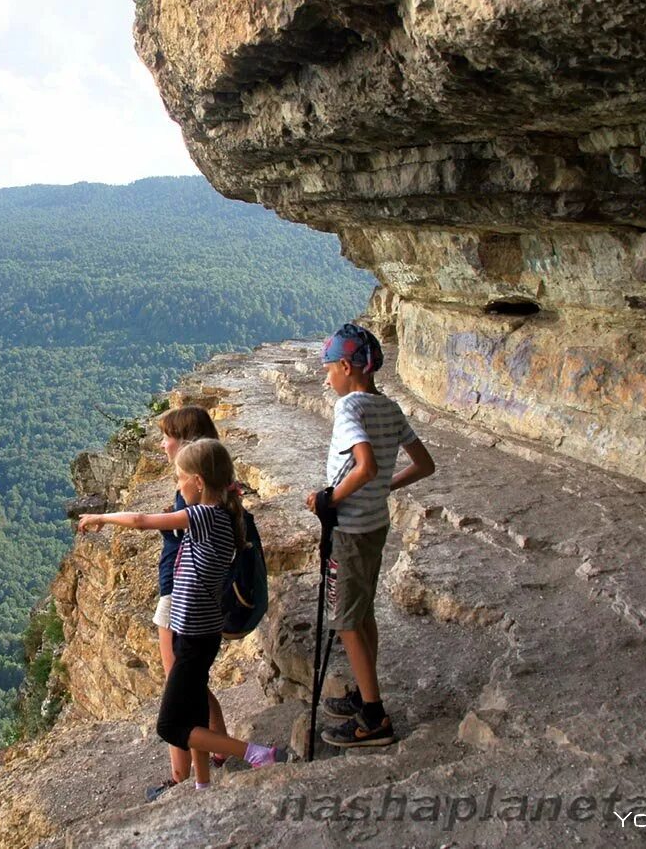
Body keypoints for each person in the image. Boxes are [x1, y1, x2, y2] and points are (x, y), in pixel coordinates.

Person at [78, 438, 286, 796]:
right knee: (192, 714)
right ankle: (202, 784)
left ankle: (256, 753)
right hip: (203, 632)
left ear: (199, 482)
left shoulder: (204, 516)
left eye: (180, 478)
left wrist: (102, 517)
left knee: (171, 726)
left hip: (192, 638)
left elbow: (143, 521)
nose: (178, 485)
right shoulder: (223, 515)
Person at [305, 323, 435, 747]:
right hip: (375, 523)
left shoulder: (350, 408)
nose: (326, 379)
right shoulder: (390, 407)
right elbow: (422, 464)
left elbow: (364, 466)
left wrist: (330, 498)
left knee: (345, 622)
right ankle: (364, 692)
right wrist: (385, 488)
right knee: (363, 615)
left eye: (329, 370)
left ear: (346, 366)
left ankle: (374, 717)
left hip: (351, 530)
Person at [150, 408, 229, 799]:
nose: (162, 444)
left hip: (179, 601)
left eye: (167, 436)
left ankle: (180, 777)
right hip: (199, 606)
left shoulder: (197, 504)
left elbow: (144, 523)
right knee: (193, 683)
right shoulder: (219, 491)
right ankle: (215, 752)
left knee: (177, 689)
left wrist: (104, 517)